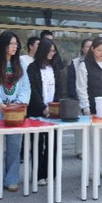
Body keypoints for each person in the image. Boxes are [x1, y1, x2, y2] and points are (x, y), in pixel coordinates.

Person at [0, 30, 30, 193]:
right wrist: (0, 103)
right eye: (11, 44)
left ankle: (12, 179)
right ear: (3, 45)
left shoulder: (20, 63)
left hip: (16, 112)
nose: (14, 47)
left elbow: (25, 87)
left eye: (16, 44)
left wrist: (17, 104)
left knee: (15, 146)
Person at [76, 37, 102, 180]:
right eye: (99, 50)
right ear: (92, 49)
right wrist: (86, 107)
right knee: (90, 140)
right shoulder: (84, 65)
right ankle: (91, 170)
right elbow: (81, 88)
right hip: (91, 108)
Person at [27, 38, 62, 185]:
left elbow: (59, 88)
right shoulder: (32, 68)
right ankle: (38, 175)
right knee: (37, 144)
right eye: (50, 51)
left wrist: (54, 107)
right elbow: (33, 91)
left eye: (53, 51)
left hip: (53, 113)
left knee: (52, 143)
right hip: (38, 111)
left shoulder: (55, 67)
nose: (52, 53)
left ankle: (50, 173)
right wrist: (43, 108)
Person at [67, 38, 92, 159]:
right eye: (87, 46)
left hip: (92, 98)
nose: (90, 49)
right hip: (78, 98)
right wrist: (76, 99)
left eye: (92, 46)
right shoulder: (75, 62)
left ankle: (91, 149)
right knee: (80, 126)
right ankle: (80, 150)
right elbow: (71, 82)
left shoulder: (96, 62)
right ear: (82, 48)